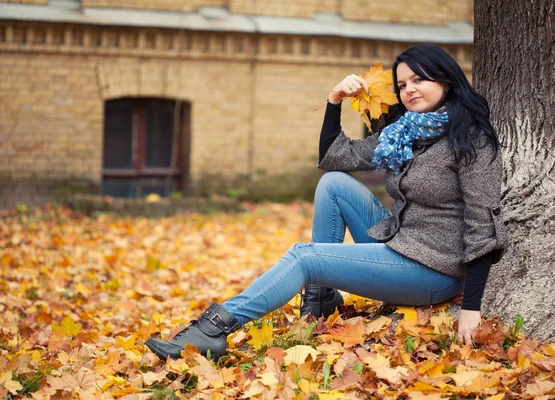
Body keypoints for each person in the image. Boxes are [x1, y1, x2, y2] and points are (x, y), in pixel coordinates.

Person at [145, 44, 508, 361]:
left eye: (419, 79)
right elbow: (336, 157)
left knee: (306, 256)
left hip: (433, 271)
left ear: (445, 79)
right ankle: (319, 301)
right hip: (399, 242)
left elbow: (482, 228)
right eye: (402, 84)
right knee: (333, 183)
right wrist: (334, 102)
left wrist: (471, 308)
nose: (409, 89)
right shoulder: (404, 134)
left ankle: (213, 329)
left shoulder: (471, 141)